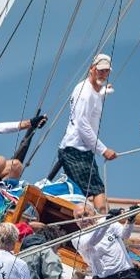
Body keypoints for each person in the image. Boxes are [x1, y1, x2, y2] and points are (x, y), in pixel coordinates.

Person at [57, 54, 117, 213]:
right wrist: (103, 150)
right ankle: (104, 223)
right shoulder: (85, 93)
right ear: (92, 69)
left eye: (106, 71)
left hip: (83, 150)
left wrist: (105, 90)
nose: (103, 74)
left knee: (85, 191)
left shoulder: (94, 90)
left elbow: (95, 93)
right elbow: (82, 125)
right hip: (75, 150)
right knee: (97, 190)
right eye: (100, 70)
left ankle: (96, 222)